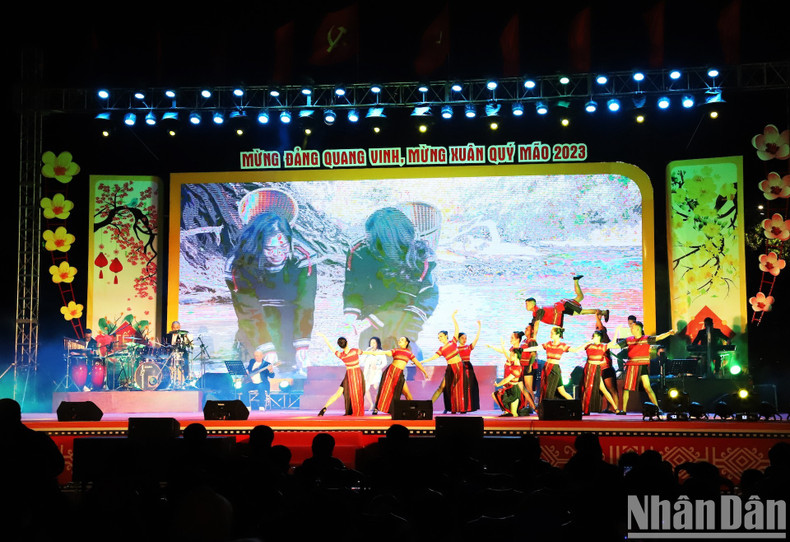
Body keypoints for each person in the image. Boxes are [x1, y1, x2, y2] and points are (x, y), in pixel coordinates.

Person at [225, 209, 317, 375]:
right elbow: (248, 311)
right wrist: (266, 347)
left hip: (288, 332)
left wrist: (302, 346)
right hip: (253, 333)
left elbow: (305, 304)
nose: (278, 254)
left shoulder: (303, 258)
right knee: (245, 383)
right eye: (270, 248)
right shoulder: (238, 264)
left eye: (283, 246)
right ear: (258, 245)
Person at [342, 207, 438, 359]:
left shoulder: (418, 257)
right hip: (377, 299)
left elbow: (403, 300)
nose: (367, 240)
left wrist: (369, 321)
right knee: (371, 349)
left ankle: (413, 367)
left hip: (416, 302)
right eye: (368, 235)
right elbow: (353, 286)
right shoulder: (360, 251)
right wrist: (350, 316)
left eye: (373, 238)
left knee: (403, 348)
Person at [614, 321, 675, 414]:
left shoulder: (646, 339)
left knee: (647, 387)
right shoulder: (629, 340)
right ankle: (624, 410)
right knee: (626, 388)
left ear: (638, 329)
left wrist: (669, 333)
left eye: (632, 327)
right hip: (632, 366)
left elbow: (658, 337)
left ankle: (658, 409)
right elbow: (615, 346)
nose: (631, 329)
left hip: (642, 365)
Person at [525, 275, 609, 338]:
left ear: (532, 304)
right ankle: (576, 281)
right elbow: (533, 323)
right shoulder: (535, 312)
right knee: (580, 298)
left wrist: (534, 338)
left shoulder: (538, 310)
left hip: (563, 307)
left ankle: (604, 312)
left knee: (582, 311)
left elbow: (536, 324)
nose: (526, 306)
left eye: (527, 304)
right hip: (562, 308)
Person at [429, 310, 481, 413]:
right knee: (449, 387)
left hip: (467, 368)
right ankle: (451, 407)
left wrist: (479, 328)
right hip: (455, 367)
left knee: (466, 389)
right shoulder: (454, 346)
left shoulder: (468, 347)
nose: (464, 339)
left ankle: (463, 407)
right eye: (462, 338)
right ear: (458, 339)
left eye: (466, 338)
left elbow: (476, 339)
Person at [367, 337, 429, 415]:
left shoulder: (409, 353)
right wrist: (367, 352)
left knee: (407, 393)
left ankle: (414, 410)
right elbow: (384, 352)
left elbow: (417, 363)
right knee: (384, 390)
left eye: (402, 340)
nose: (400, 341)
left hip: (399, 374)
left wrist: (424, 372)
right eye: (399, 340)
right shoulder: (396, 350)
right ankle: (376, 408)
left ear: (406, 343)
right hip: (390, 372)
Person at [316, 333, 366, 416]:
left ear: (340, 346)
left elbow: (331, 348)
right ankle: (356, 410)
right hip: (356, 375)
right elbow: (365, 352)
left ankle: (324, 408)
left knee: (338, 394)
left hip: (348, 376)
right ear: (347, 342)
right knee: (359, 393)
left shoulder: (341, 355)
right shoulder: (354, 351)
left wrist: (324, 337)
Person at [423, 329, 471, 414]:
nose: (439, 338)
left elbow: (456, 329)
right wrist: (420, 362)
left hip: (459, 367)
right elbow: (433, 357)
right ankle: (427, 406)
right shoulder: (441, 349)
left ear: (446, 336)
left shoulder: (453, 342)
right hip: (450, 368)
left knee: (459, 388)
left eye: (441, 336)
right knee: (441, 387)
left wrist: (453, 317)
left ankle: (461, 408)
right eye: (438, 337)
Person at [523, 326, 575, 402]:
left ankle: (574, 406)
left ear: (558, 335)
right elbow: (536, 348)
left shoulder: (562, 346)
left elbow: (575, 350)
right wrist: (524, 350)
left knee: (549, 391)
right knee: (561, 391)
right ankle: (574, 406)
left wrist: (587, 344)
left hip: (554, 369)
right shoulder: (548, 344)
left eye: (552, 333)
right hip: (547, 368)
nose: (550, 334)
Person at [576, 330, 621, 415]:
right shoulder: (589, 346)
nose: (594, 338)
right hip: (589, 368)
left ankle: (616, 408)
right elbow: (577, 350)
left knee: (603, 389)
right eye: (593, 336)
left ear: (600, 338)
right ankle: (585, 409)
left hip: (596, 369)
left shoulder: (602, 347)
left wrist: (616, 331)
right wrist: (589, 342)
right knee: (587, 389)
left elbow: (613, 342)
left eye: (596, 337)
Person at [492, 338, 525, 417]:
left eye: (512, 354)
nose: (510, 356)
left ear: (516, 355)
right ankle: (506, 412)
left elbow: (507, 379)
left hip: (514, 390)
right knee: (495, 395)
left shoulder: (517, 368)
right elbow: (505, 354)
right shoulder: (513, 363)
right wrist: (502, 346)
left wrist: (498, 385)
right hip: (508, 389)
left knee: (514, 413)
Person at [361, 336, 387, 410]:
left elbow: (384, 363)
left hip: (376, 372)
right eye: (371, 342)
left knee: (375, 387)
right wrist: (366, 352)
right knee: (366, 389)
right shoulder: (367, 352)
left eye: (374, 342)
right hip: (368, 373)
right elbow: (362, 361)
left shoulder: (380, 352)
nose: (372, 344)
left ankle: (377, 404)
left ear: (377, 343)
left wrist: (378, 367)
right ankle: (371, 404)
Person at [163, 320, 192, 387]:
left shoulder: (183, 336)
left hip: (181, 354)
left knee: (185, 361)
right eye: (174, 327)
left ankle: (185, 380)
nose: (176, 329)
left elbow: (186, 346)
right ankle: (169, 380)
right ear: (172, 328)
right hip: (171, 354)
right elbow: (165, 345)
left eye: (177, 327)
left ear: (179, 327)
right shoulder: (168, 336)